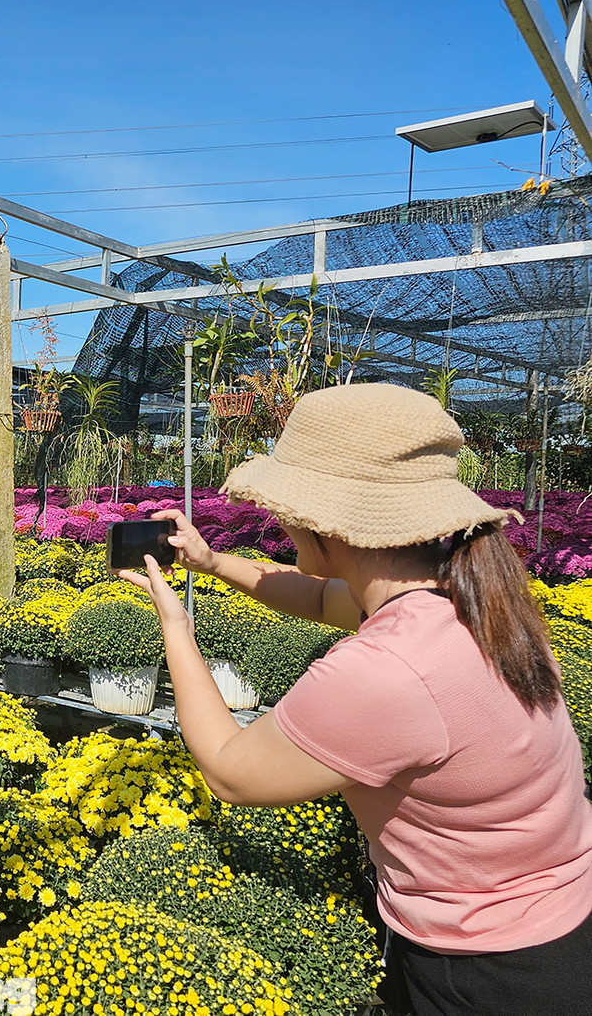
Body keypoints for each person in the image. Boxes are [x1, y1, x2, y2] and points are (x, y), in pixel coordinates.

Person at [118, 383, 592, 1016]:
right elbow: (318, 598)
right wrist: (211, 563)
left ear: (322, 523)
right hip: (558, 923)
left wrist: (177, 629)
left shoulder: (388, 669)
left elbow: (228, 770)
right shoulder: (468, 596)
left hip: (485, 969)